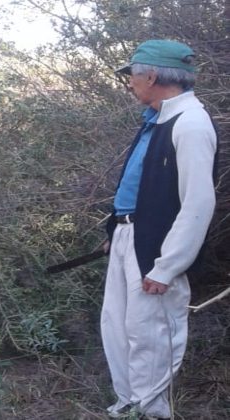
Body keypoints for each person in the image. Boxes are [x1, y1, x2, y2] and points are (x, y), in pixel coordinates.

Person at [101, 39, 217, 419]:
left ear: (150, 75)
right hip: (129, 235)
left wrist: (168, 265)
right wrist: (116, 233)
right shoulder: (158, 118)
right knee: (118, 328)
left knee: (150, 333)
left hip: (156, 247)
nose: (130, 83)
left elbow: (198, 202)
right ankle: (128, 406)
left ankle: (150, 413)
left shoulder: (191, 123)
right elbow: (139, 187)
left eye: (131, 75)